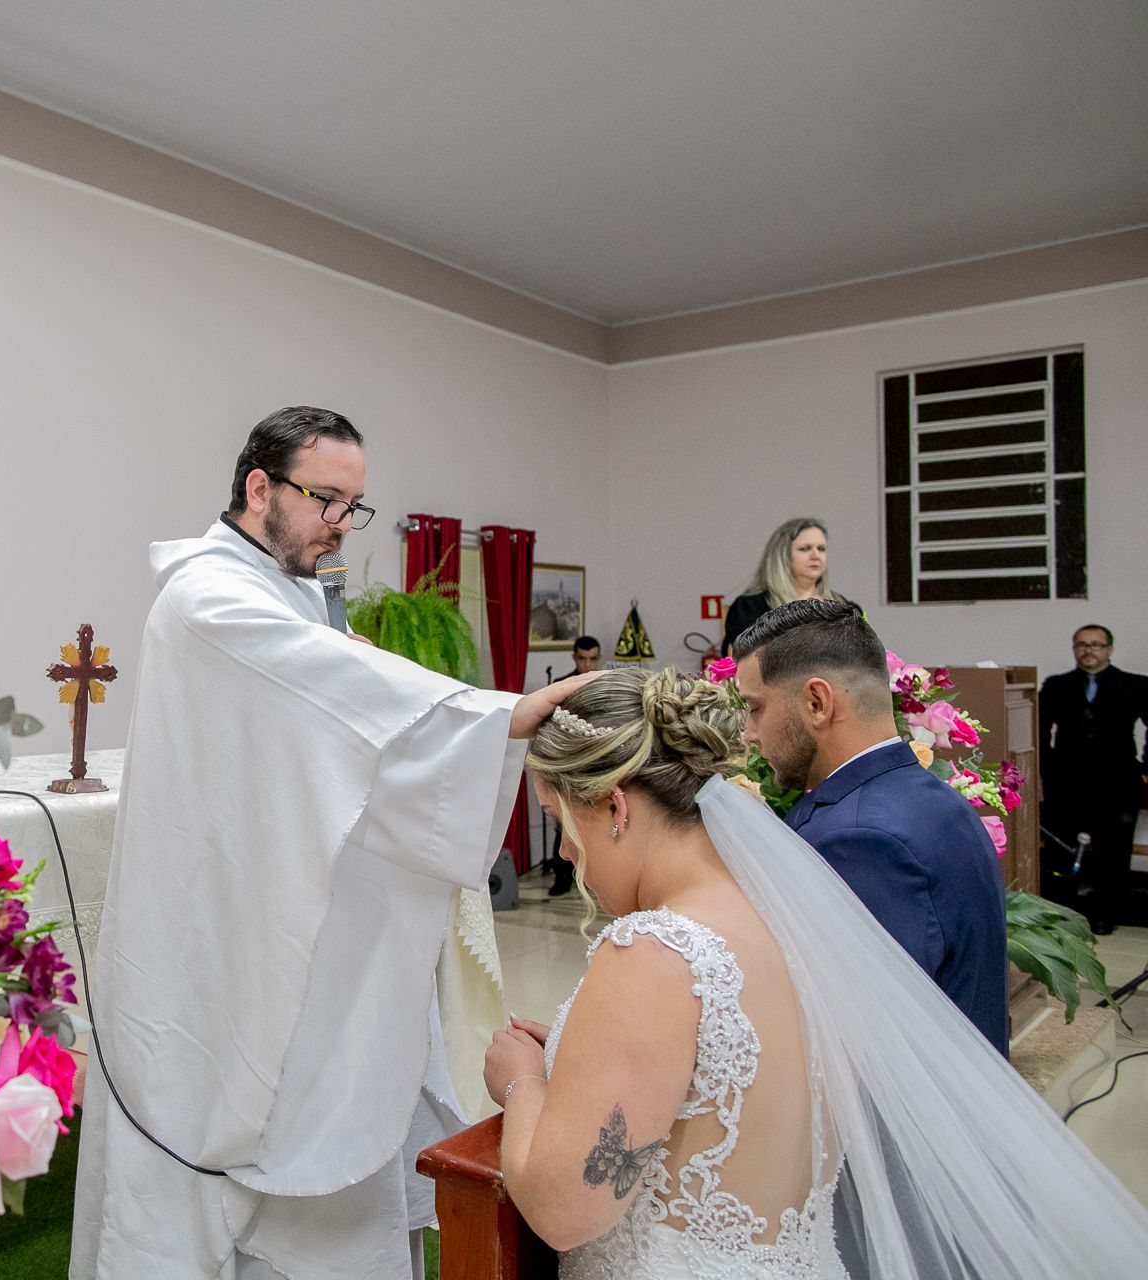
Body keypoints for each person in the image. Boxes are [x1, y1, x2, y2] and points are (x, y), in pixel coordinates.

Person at [70, 406, 591, 1280]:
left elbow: (343, 725)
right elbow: (339, 694)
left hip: (288, 894)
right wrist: (498, 715)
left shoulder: (289, 591)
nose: (342, 525)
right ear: (260, 487)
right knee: (225, 1117)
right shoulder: (209, 599)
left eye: (356, 505)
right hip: (219, 925)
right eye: (326, 500)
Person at [482, 666, 1148, 1278]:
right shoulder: (796, 914)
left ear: (614, 808)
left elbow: (568, 1210)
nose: (568, 851)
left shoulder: (654, 952)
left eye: (560, 821)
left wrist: (520, 1082)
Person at [733, 599, 1006, 1051]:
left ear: (817, 702)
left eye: (755, 707)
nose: (748, 732)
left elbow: (857, 1043)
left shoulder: (860, 840)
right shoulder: (935, 800)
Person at [1039, 625, 1148, 934]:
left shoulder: (1134, 685)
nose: (1089, 650)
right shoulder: (1056, 686)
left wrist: (1145, 766)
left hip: (1118, 783)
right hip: (1067, 784)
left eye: (1097, 645)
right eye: (1082, 645)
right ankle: (1064, 915)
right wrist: (1047, 769)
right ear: (1075, 649)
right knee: (1062, 852)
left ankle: (1106, 915)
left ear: (1109, 650)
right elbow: (1040, 729)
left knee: (1114, 852)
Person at [721, 519, 855, 656]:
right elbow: (739, 667)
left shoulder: (845, 608)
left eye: (821, 549)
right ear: (782, 556)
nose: (816, 556)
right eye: (805, 549)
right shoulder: (749, 608)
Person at [548, 636, 603, 896]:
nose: (588, 665)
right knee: (564, 818)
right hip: (568, 762)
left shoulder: (608, 685)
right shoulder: (560, 686)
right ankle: (562, 876)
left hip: (598, 761)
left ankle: (598, 876)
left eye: (593, 659)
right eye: (583, 659)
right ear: (574, 658)